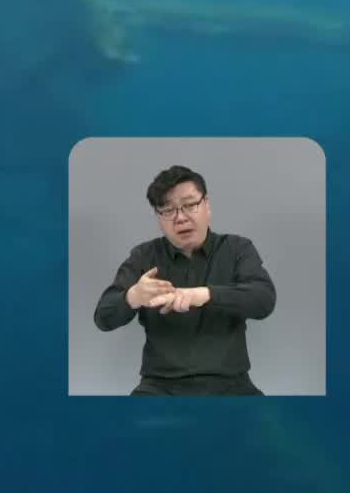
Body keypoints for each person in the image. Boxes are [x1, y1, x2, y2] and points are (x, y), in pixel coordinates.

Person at [91, 164, 278, 395]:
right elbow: (103, 318)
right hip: (159, 387)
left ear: (207, 205)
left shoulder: (237, 248)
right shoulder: (144, 256)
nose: (180, 218)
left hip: (232, 384)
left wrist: (205, 294)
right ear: (158, 216)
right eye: (167, 210)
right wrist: (133, 296)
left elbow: (264, 300)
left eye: (189, 205)